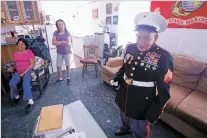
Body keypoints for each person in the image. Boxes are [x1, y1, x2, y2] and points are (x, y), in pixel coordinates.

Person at [110, 12, 174, 138]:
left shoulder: (164, 56)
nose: (141, 42)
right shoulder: (130, 48)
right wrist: (117, 78)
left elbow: (165, 90)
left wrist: (154, 111)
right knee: (123, 114)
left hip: (143, 100)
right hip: (125, 92)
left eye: (146, 38)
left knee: (140, 129)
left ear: (155, 38)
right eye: (138, 37)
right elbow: (125, 67)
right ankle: (125, 127)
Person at [8, 38, 35, 113]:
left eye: (22, 44)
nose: (20, 45)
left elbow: (32, 64)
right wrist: (12, 68)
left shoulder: (29, 52)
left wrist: (24, 73)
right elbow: (16, 64)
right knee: (11, 83)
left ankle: (30, 101)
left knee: (25, 84)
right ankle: (16, 96)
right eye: (19, 44)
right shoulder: (15, 53)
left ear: (25, 46)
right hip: (18, 71)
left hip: (27, 70)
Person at [52, 19, 72, 85]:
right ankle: (60, 78)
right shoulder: (55, 32)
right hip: (59, 52)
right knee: (58, 66)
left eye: (62, 24)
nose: (60, 26)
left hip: (67, 52)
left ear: (64, 24)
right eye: (59, 25)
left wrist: (58, 43)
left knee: (67, 66)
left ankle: (68, 78)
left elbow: (68, 43)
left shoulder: (67, 32)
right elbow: (53, 42)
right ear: (57, 26)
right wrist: (63, 41)